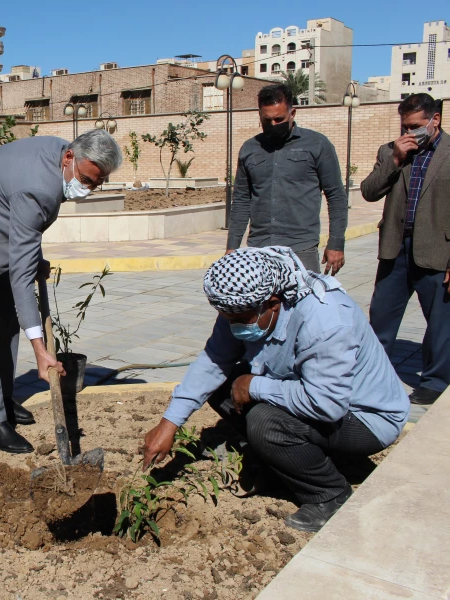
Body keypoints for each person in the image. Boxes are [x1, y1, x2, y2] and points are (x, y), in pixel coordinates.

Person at [141, 247, 409, 533]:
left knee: (265, 424)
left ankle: (329, 495)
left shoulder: (324, 321)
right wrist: (169, 423)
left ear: (271, 303)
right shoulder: (244, 304)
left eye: (239, 320)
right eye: (227, 318)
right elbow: (214, 360)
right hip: (320, 401)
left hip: (365, 418)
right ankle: (297, 458)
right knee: (222, 382)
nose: (233, 327)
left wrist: (255, 386)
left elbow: (327, 404)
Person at [0, 130, 123, 454]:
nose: (88, 189)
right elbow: (21, 275)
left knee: (7, 320)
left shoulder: (59, 159)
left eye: (97, 184)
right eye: (87, 180)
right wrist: (40, 349)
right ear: (70, 158)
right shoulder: (39, 185)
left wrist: (37, 259)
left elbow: (26, 224)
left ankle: (3, 399)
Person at [361, 93, 448, 406]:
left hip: (438, 249)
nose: (410, 133)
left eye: (416, 126)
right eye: (405, 127)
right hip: (395, 248)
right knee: (381, 317)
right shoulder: (391, 151)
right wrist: (395, 161)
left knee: (440, 322)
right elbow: (370, 192)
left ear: (434, 120)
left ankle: (435, 381)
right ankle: (372, 376)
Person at [227, 84, 348, 275]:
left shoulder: (317, 144)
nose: (274, 125)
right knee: (262, 305)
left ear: (293, 113)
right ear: (259, 115)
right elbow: (242, 200)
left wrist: (336, 243)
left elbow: (336, 195)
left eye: (279, 119)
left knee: (303, 304)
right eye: (267, 120)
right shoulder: (249, 148)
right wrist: (232, 247)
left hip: (301, 248)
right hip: (260, 249)